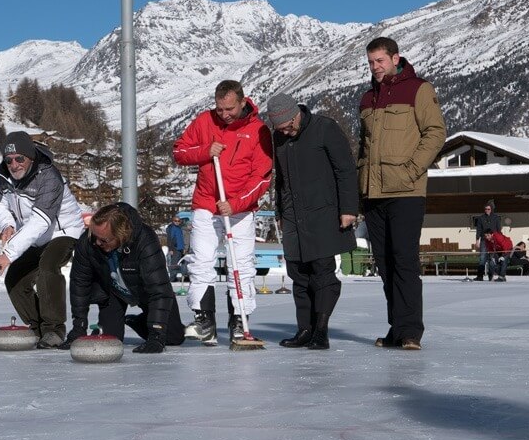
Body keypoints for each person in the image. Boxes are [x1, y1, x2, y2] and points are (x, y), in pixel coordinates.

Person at [357, 37, 446, 351]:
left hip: (406, 190)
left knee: (404, 260)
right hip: (373, 192)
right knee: (384, 263)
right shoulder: (368, 98)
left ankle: (410, 331)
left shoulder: (419, 89)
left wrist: (411, 170)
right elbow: (363, 147)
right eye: (371, 62)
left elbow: (436, 133)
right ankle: (397, 327)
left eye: (380, 60)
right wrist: (360, 187)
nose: (375, 67)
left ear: (396, 58)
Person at [173, 80, 273, 345]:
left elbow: (262, 177)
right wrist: (205, 151)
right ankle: (204, 321)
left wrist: (237, 203)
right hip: (206, 203)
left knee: (240, 266)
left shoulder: (258, 130)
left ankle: (239, 321)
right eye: (219, 109)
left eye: (229, 109)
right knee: (201, 261)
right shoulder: (205, 122)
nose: (224, 114)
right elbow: (180, 152)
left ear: (243, 102)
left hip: (239, 210)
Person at [266, 94, 358, 350]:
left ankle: (321, 330)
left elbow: (346, 169)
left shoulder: (325, 128)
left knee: (322, 272)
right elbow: (281, 180)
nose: (284, 131)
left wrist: (348, 208)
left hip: (324, 213)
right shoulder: (280, 138)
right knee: (297, 273)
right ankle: (304, 329)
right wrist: (279, 213)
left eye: (287, 126)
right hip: (293, 216)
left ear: (296, 114)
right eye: (279, 128)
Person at [0, 132, 84, 349]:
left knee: (48, 266)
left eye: (19, 158)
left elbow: (42, 220)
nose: (14, 164)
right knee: (15, 278)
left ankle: (54, 330)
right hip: (33, 237)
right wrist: (7, 225)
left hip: (62, 231)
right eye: (9, 159)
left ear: (30, 157)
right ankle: (37, 327)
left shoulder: (48, 176)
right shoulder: (3, 176)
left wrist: (9, 254)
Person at [60, 203, 185, 353]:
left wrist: (156, 335)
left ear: (121, 235)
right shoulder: (87, 242)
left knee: (173, 338)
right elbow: (79, 284)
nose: (97, 242)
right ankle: (106, 326)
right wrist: (78, 327)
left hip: (145, 290)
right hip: (113, 292)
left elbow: (159, 289)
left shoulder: (145, 239)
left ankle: (140, 322)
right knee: (111, 341)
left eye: (104, 240)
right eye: (95, 236)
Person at [474, 200, 501, 281]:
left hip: (493, 241)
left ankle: (491, 275)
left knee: (492, 258)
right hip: (484, 241)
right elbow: (478, 229)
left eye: (488, 209)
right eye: (485, 209)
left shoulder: (496, 218)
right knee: (482, 258)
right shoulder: (481, 218)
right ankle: (480, 276)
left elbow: (498, 230)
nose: (487, 210)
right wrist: (477, 240)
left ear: (491, 209)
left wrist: (498, 240)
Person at [166, 215, 187, 281]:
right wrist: (170, 249)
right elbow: (170, 239)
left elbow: (181, 239)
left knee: (182, 264)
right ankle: (172, 278)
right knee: (174, 264)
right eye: (175, 221)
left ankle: (183, 277)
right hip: (175, 248)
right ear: (173, 221)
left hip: (180, 249)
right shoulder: (172, 228)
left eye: (178, 221)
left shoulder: (179, 228)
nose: (177, 222)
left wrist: (183, 248)